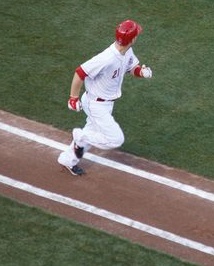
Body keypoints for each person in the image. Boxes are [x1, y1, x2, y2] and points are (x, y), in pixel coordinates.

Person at [57, 19, 152, 175]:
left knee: (93, 130)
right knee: (115, 139)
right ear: (132, 39)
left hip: (106, 103)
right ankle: (80, 137)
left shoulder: (127, 51)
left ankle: (68, 159)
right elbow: (80, 72)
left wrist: (141, 72)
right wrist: (73, 98)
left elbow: (130, 67)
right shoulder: (107, 58)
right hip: (96, 104)